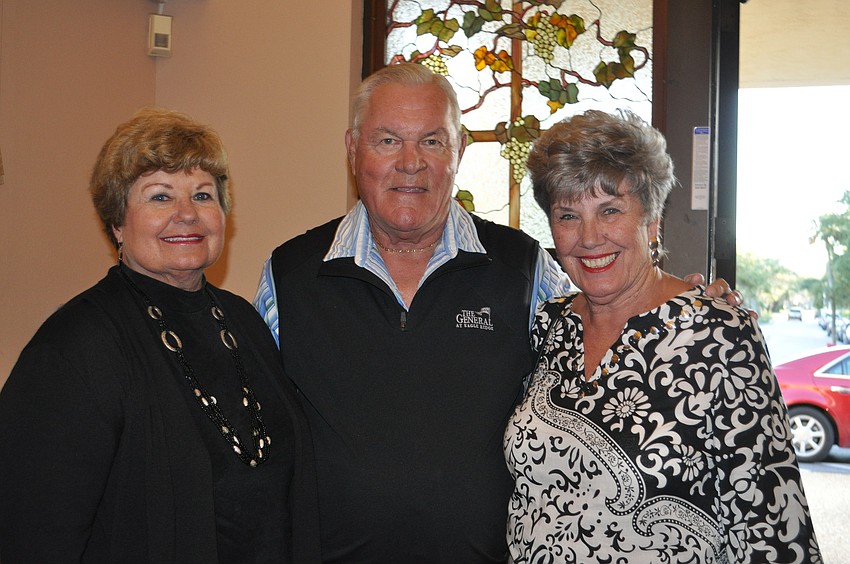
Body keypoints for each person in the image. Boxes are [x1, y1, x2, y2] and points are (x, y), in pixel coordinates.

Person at [254, 63, 741, 562]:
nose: (410, 163)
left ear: (460, 149)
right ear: (353, 149)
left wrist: (687, 300)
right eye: (386, 141)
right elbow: (254, 444)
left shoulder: (525, 268)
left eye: (431, 141)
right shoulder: (288, 275)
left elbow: (610, 314)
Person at [0, 108, 321, 563]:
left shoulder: (242, 321)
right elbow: (32, 533)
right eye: (160, 197)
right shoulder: (74, 347)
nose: (187, 215)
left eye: (203, 195)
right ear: (116, 221)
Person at [504, 109, 821, 563]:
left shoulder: (719, 334)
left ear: (652, 221)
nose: (589, 237)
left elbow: (772, 523)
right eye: (568, 215)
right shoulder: (547, 326)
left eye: (610, 210)